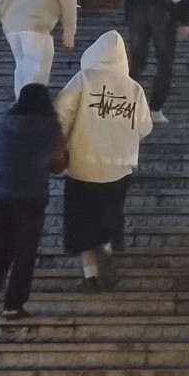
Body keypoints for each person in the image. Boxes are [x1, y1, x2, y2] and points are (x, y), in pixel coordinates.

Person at [54, 29, 153, 289]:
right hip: (119, 165)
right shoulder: (134, 88)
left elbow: (61, 114)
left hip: (82, 163)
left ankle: (90, 276)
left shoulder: (83, 79)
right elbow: (145, 126)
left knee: (80, 221)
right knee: (109, 215)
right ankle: (106, 249)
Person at [0, 81, 66, 318]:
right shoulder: (51, 126)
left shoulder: (4, 123)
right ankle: (13, 304)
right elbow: (57, 162)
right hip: (30, 194)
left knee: (3, 238)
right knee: (26, 249)